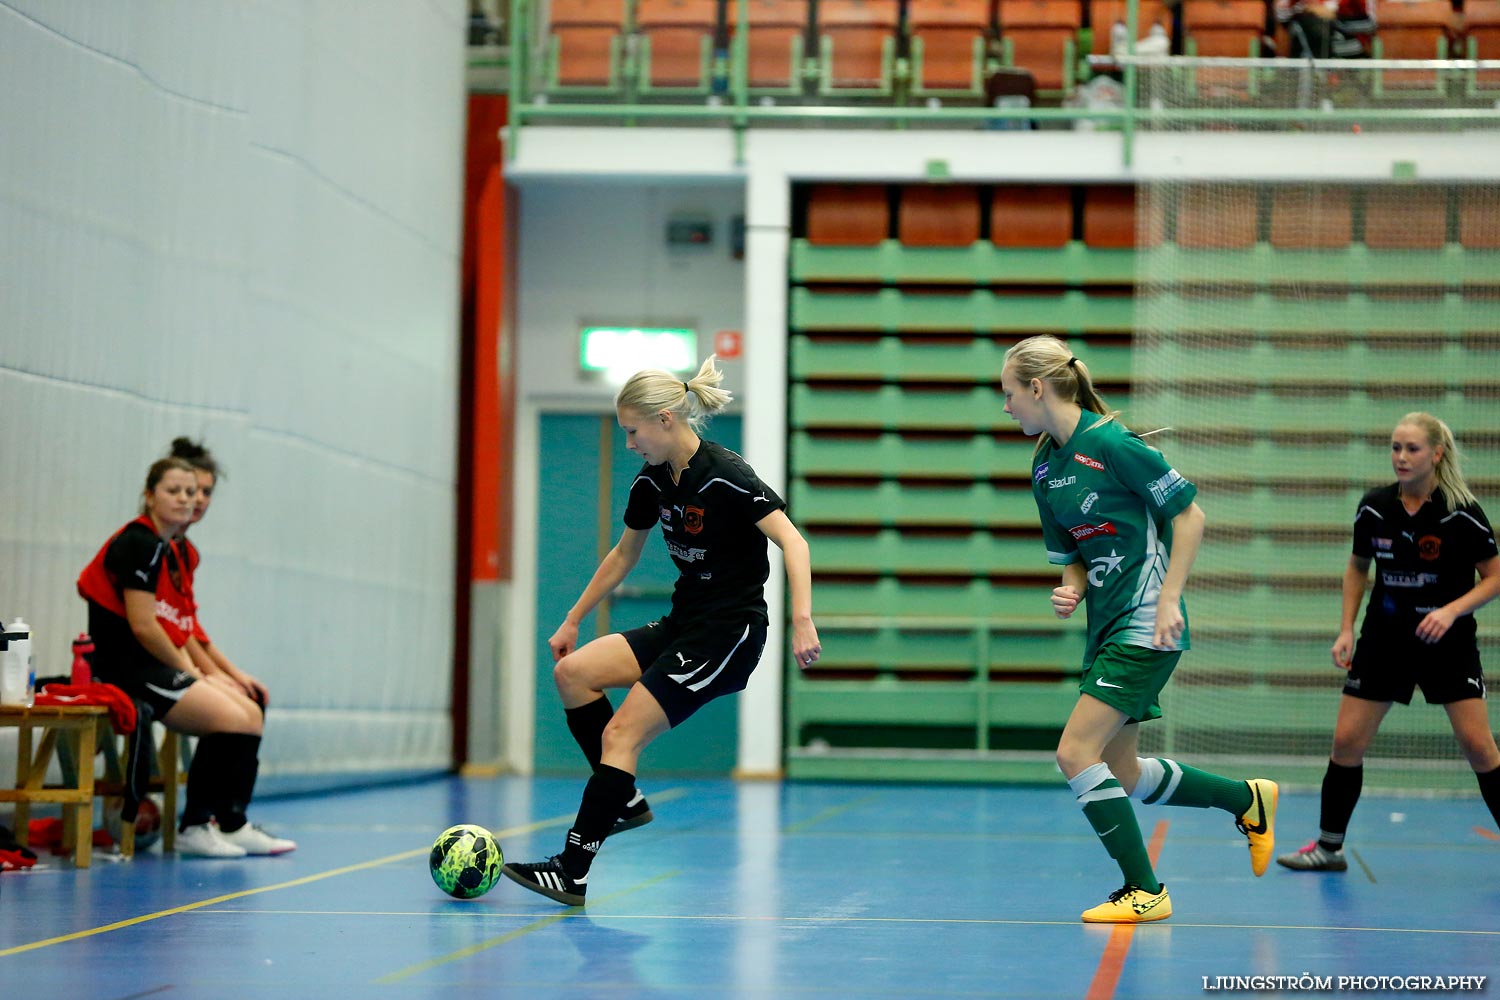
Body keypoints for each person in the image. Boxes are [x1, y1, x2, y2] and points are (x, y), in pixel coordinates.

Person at [502, 356, 821, 905]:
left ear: (667, 419)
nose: (628, 443)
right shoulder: (652, 481)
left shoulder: (726, 475)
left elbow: (794, 542)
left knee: (620, 735)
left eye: (633, 431)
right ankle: (621, 800)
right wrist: (573, 618)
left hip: (729, 633)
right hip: (683, 620)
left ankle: (572, 869)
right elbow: (624, 555)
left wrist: (802, 620)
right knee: (573, 673)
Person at [1001, 335, 1277, 924]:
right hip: (1107, 625)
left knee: (1075, 753)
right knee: (1121, 772)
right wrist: (1073, 586)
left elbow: (1189, 515)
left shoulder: (1112, 443)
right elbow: (1071, 554)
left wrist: (1172, 596)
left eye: (1008, 394)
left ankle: (1144, 889)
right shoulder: (1045, 466)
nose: (1006, 408)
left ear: (1037, 387)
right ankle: (1246, 799)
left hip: (1148, 620)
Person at [1277, 413, 1500, 872]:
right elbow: (1358, 567)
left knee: (1479, 747)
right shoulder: (1375, 507)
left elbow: (1494, 577)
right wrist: (1345, 627)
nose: (1401, 457)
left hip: (1447, 644)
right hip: (1384, 640)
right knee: (1346, 743)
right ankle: (1329, 847)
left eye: (1412, 448)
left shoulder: (1462, 513)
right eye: (1395, 447)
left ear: (1436, 453)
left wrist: (1451, 610)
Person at [76, 457, 293, 858]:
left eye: (192, 492)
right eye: (173, 491)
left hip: (154, 665)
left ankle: (231, 822)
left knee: (249, 712)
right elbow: (144, 627)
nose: (186, 500)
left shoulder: (170, 549)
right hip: (127, 670)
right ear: (149, 494)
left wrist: (215, 673)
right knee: (232, 718)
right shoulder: (138, 543)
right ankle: (195, 825)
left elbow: (184, 629)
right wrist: (195, 674)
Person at [167, 438, 271, 709]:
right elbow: (166, 629)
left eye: (206, 492)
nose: (198, 499)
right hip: (147, 664)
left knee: (250, 695)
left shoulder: (186, 553)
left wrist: (233, 674)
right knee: (238, 707)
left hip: (175, 659)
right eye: (192, 491)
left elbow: (192, 631)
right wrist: (205, 675)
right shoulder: (150, 545)